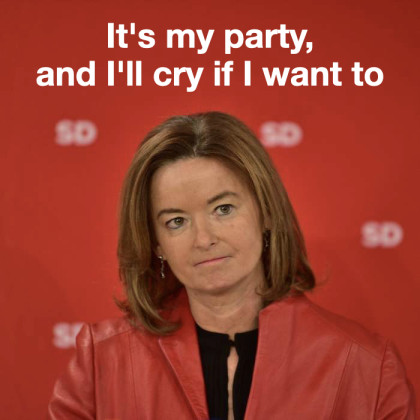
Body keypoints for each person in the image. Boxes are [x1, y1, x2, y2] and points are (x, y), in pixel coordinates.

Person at [48, 111, 415, 419]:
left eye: (223, 209)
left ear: (266, 211)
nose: (203, 238)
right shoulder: (101, 360)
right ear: (156, 242)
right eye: (176, 221)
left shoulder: (366, 365)